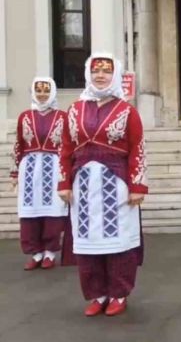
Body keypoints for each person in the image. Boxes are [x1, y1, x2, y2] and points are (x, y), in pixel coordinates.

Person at [58, 53, 148, 317]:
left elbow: (137, 149)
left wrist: (137, 186)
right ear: (88, 74)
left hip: (116, 184)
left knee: (118, 243)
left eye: (106, 72)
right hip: (83, 187)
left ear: (115, 75)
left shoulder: (127, 111)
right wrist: (64, 182)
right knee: (87, 243)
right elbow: (65, 148)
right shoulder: (75, 110)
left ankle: (118, 294)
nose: (100, 76)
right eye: (95, 71)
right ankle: (97, 294)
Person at [11, 77, 68, 270]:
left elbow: (69, 146)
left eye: (46, 91)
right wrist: (14, 173)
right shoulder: (25, 116)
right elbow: (19, 144)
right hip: (30, 169)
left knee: (53, 210)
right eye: (38, 91)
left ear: (52, 92)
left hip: (54, 168)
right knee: (30, 212)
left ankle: (50, 253)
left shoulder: (63, 117)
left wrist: (68, 173)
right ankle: (35, 253)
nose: (42, 95)